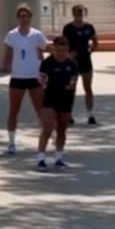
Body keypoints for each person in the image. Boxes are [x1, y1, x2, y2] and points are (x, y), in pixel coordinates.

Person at [3, 4, 48, 155]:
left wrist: (44, 71)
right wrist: (7, 66)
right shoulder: (12, 35)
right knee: (14, 110)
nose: (25, 19)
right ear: (17, 19)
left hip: (34, 76)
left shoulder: (37, 35)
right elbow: (8, 52)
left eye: (27, 16)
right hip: (17, 77)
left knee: (40, 109)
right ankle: (11, 142)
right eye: (22, 16)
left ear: (31, 18)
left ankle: (45, 139)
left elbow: (43, 52)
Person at [37, 36, 79, 170]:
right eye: (58, 50)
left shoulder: (72, 64)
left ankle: (59, 157)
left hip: (66, 98)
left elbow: (74, 79)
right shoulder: (48, 63)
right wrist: (43, 82)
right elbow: (41, 77)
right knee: (47, 129)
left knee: (62, 129)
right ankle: (41, 159)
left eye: (64, 50)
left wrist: (71, 85)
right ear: (54, 49)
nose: (61, 53)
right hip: (50, 98)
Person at [61, 5, 98, 124]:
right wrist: (67, 55)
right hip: (72, 62)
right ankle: (69, 114)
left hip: (85, 61)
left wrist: (90, 51)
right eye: (76, 13)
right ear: (73, 14)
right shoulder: (68, 28)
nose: (78, 15)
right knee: (71, 88)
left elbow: (95, 42)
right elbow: (62, 44)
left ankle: (90, 114)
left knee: (88, 88)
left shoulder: (89, 27)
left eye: (81, 13)